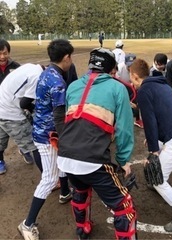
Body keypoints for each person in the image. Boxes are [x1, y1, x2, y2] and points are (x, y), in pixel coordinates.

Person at [57, 48, 137, 239]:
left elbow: (70, 120)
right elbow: (125, 129)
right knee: (124, 206)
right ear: (112, 70)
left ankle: (82, 228)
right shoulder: (117, 88)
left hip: (65, 155)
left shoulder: (73, 86)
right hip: (93, 159)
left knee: (80, 190)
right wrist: (123, 159)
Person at [129, 58, 172, 233]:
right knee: (154, 170)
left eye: (131, 79)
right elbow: (160, 115)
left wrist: (154, 150)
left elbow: (149, 123)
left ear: (136, 77)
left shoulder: (144, 91)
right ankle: (155, 183)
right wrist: (156, 141)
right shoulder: (160, 83)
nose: (131, 83)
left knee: (159, 179)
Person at [18, 39, 74, 240]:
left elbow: (30, 102)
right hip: (47, 136)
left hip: (40, 129)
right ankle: (27, 223)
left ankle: (66, 192)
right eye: (71, 57)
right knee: (49, 178)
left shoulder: (45, 73)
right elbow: (59, 117)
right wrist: (65, 139)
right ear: (66, 57)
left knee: (62, 166)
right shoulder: (58, 82)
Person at [0, 63, 44, 175]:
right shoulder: (37, 76)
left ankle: (1, 160)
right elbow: (24, 103)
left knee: (0, 140)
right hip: (10, 113)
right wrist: (37, 110)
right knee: (35, 145)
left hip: (2, 105)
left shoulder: (30, 66)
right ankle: (49, 177)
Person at [116, 53, 143, 128]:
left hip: (132, 87)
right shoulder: (120, 67)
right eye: (129, 65)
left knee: (137, 100)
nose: (130, 67)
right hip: (120, 86)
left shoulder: (137, 69)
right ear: (125, 63)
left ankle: (137, 119)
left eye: (132, 65)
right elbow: (116, 80)